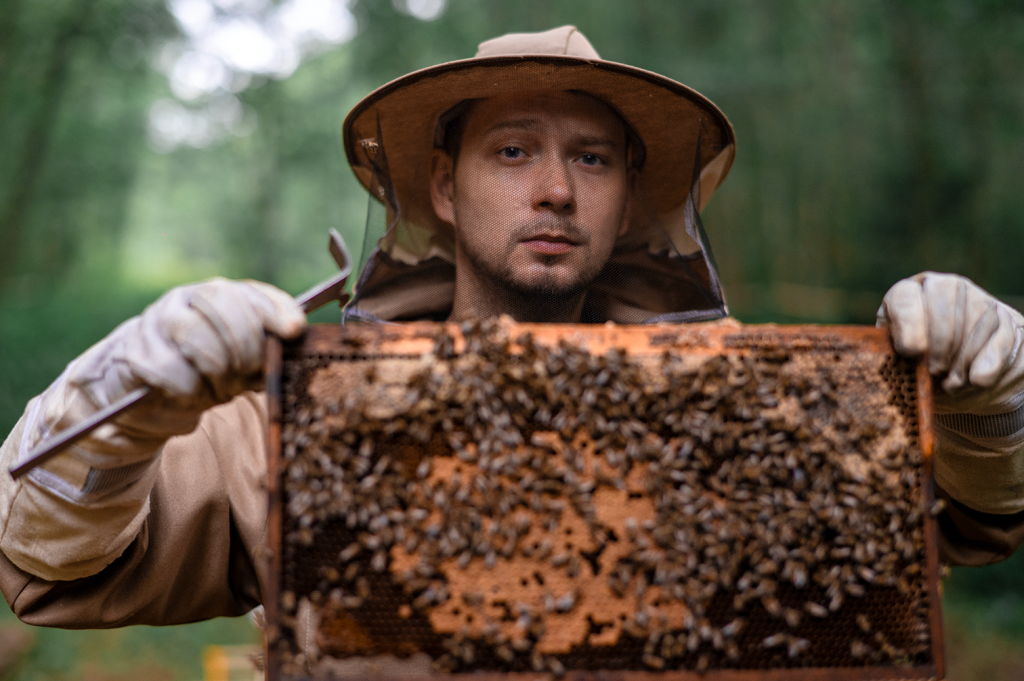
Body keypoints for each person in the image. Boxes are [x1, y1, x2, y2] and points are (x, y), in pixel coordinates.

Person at [1, 26, 1023, 631]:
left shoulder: (745, 413)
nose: (552, 190)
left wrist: (990, 407)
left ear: (628, 200)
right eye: (511, 152)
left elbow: (962, 524)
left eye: (589, 159)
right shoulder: (306, 413)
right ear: (442, 188)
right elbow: (47, 560)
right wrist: (125, 403)